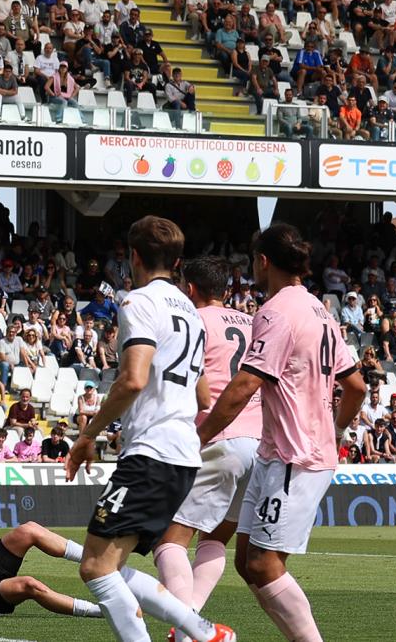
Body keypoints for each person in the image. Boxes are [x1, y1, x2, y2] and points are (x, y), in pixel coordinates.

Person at [64, 216, 235, 642]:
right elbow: (203, 395)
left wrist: (87, 435)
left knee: (95, 567)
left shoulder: (138, 301)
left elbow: (133, 379)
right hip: (181, 456)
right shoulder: (192, 315)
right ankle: (204, 632)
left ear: (133, 256)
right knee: (110, 564)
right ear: (177, 262)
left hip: (151, 452)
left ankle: (200, 633)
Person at [198, 223, 366, 642]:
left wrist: (197, 439)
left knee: (264, 564)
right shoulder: (320, 311)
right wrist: (339, 428)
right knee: (247, 559)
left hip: (295, 455)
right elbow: (357, 385)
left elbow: (244, 385)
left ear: (263, 261)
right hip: (281, 453)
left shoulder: (275, 311)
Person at [150, 256, 263, 641]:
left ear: (190, 289)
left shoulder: (192, 321)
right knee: (214, 539)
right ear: (227, 290)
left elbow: (188, 386)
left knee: (169, 541)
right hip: (260, 444)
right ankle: (191, 625)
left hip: (218, 439)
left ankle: (193, 632)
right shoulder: (254, 322)